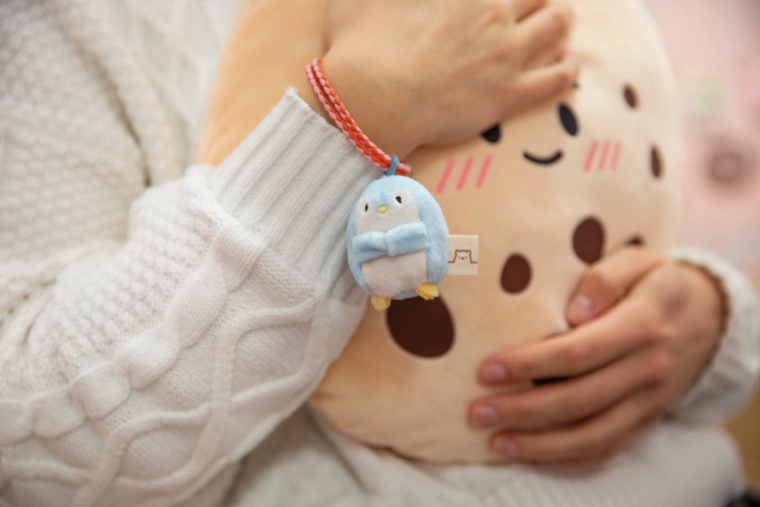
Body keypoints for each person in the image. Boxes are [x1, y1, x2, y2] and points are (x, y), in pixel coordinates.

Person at [0, 1, 756, 507]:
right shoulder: (75, 24)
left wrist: (711, 320)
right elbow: (37, 457)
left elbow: (588, 191)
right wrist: (351, 115)